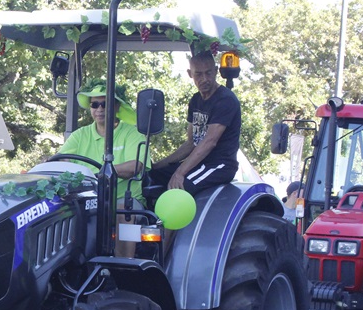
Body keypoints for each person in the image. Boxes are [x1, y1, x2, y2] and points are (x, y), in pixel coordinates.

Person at [60, 79, 148, 256]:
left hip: (124, 199)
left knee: (124, 213)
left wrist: (97, 174)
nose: (99, 109)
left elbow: (136, 165)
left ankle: (123, 270)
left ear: (116, 107)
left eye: (104, 104)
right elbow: (62, 162)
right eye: (95, 104)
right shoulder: (80, 135)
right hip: (85, 200)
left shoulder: (132, 133)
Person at [151, 51, 242, 195]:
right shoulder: (195, 100)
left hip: (219, 166)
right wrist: (155, 166)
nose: (204, 79)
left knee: (180, 188)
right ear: (190, 74)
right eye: (198, 74)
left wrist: (180, 173)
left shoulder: (225, 100)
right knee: (153, 177)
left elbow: (209, 141)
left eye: (208, 73)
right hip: (199, 164)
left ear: (216, 71)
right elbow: (191, 143)